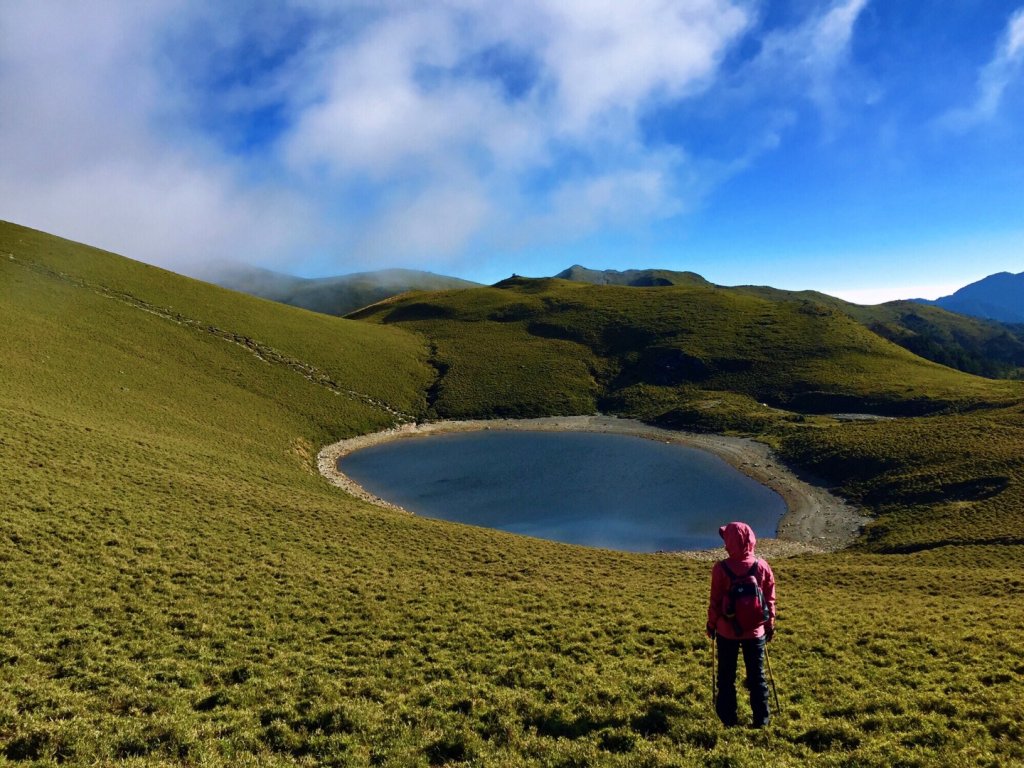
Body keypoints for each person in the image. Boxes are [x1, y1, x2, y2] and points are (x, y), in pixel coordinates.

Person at [706, 521, 776, 728]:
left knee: (726, 677)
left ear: (730, 542)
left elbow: (715, 601)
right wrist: (770, 624)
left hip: (727, 632)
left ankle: (728, 720)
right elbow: (769, 599)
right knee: (757, 677)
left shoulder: (720, 569)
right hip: (755, 631)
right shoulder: (762, 566)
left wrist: (711, 625)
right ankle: (761, 720)